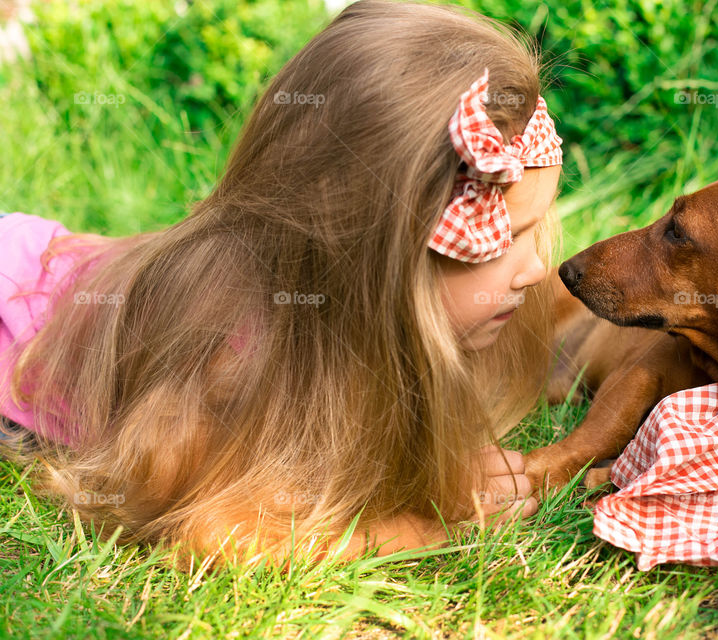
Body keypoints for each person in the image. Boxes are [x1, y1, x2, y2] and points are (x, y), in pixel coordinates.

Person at [0, 0, 564, 566]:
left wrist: (437, 471)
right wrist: (425, 524)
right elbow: (218, 531)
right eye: (502, 237)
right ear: (370, 252)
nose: (534, 268)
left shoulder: (333, 319)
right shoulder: (236, 354)